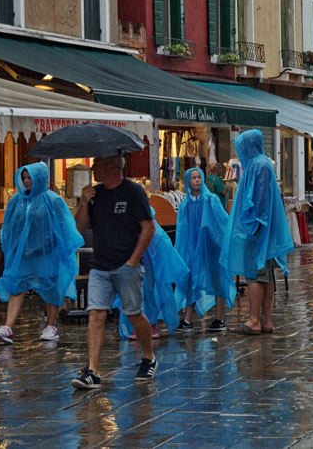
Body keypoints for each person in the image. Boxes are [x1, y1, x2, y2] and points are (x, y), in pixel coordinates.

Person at [72, 155, 157, 389]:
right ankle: (93, 372)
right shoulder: (94, 194)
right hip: (100, 266)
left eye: (97, 164)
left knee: (133, 314)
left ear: (111, 167)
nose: (92, 168)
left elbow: (148, 228)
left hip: (125, 265)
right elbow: (78, 228)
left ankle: (148, 356)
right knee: (95, 315)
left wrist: (133, 260)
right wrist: (83, 202)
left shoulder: (133, 192)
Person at [0, 163, 83, 345]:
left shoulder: (53, 200)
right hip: (24, 254)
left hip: (47, 253)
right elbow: (10, 226)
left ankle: (51, 325)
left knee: (50, 287)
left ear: (39, 178)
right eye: (23, 177)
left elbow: (64, 226)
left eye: (30, 177)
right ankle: (8, 327)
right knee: (17, 286)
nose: (26, 181)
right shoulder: (17, 200)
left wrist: (55, 246)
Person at [221, 129, 295, 335]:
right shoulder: (260, 164)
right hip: (261, 228)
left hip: (257, 230)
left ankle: (255, 320)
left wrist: (256, 226)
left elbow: (260, 199)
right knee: (266, 273)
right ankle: (264, 319)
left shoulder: (258, 165)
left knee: (255, 273)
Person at [175, 168, 236, 333]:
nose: (197, 180)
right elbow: (182, 229)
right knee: (191, 281)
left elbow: (222, 221)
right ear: (187, 181)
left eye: (199, 177)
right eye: (193, 177)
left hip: (211, 247)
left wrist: (223, 241)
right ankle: (188, 319)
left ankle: (220, 318)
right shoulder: (184, 205)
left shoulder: (212, 200)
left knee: (217, 280)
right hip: (192, 250)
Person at [116, 208, 190, 341]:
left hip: (147, 264)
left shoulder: (153, 229)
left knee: (147, 292)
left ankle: (149, 324)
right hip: (134, 263)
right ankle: (140, 324)